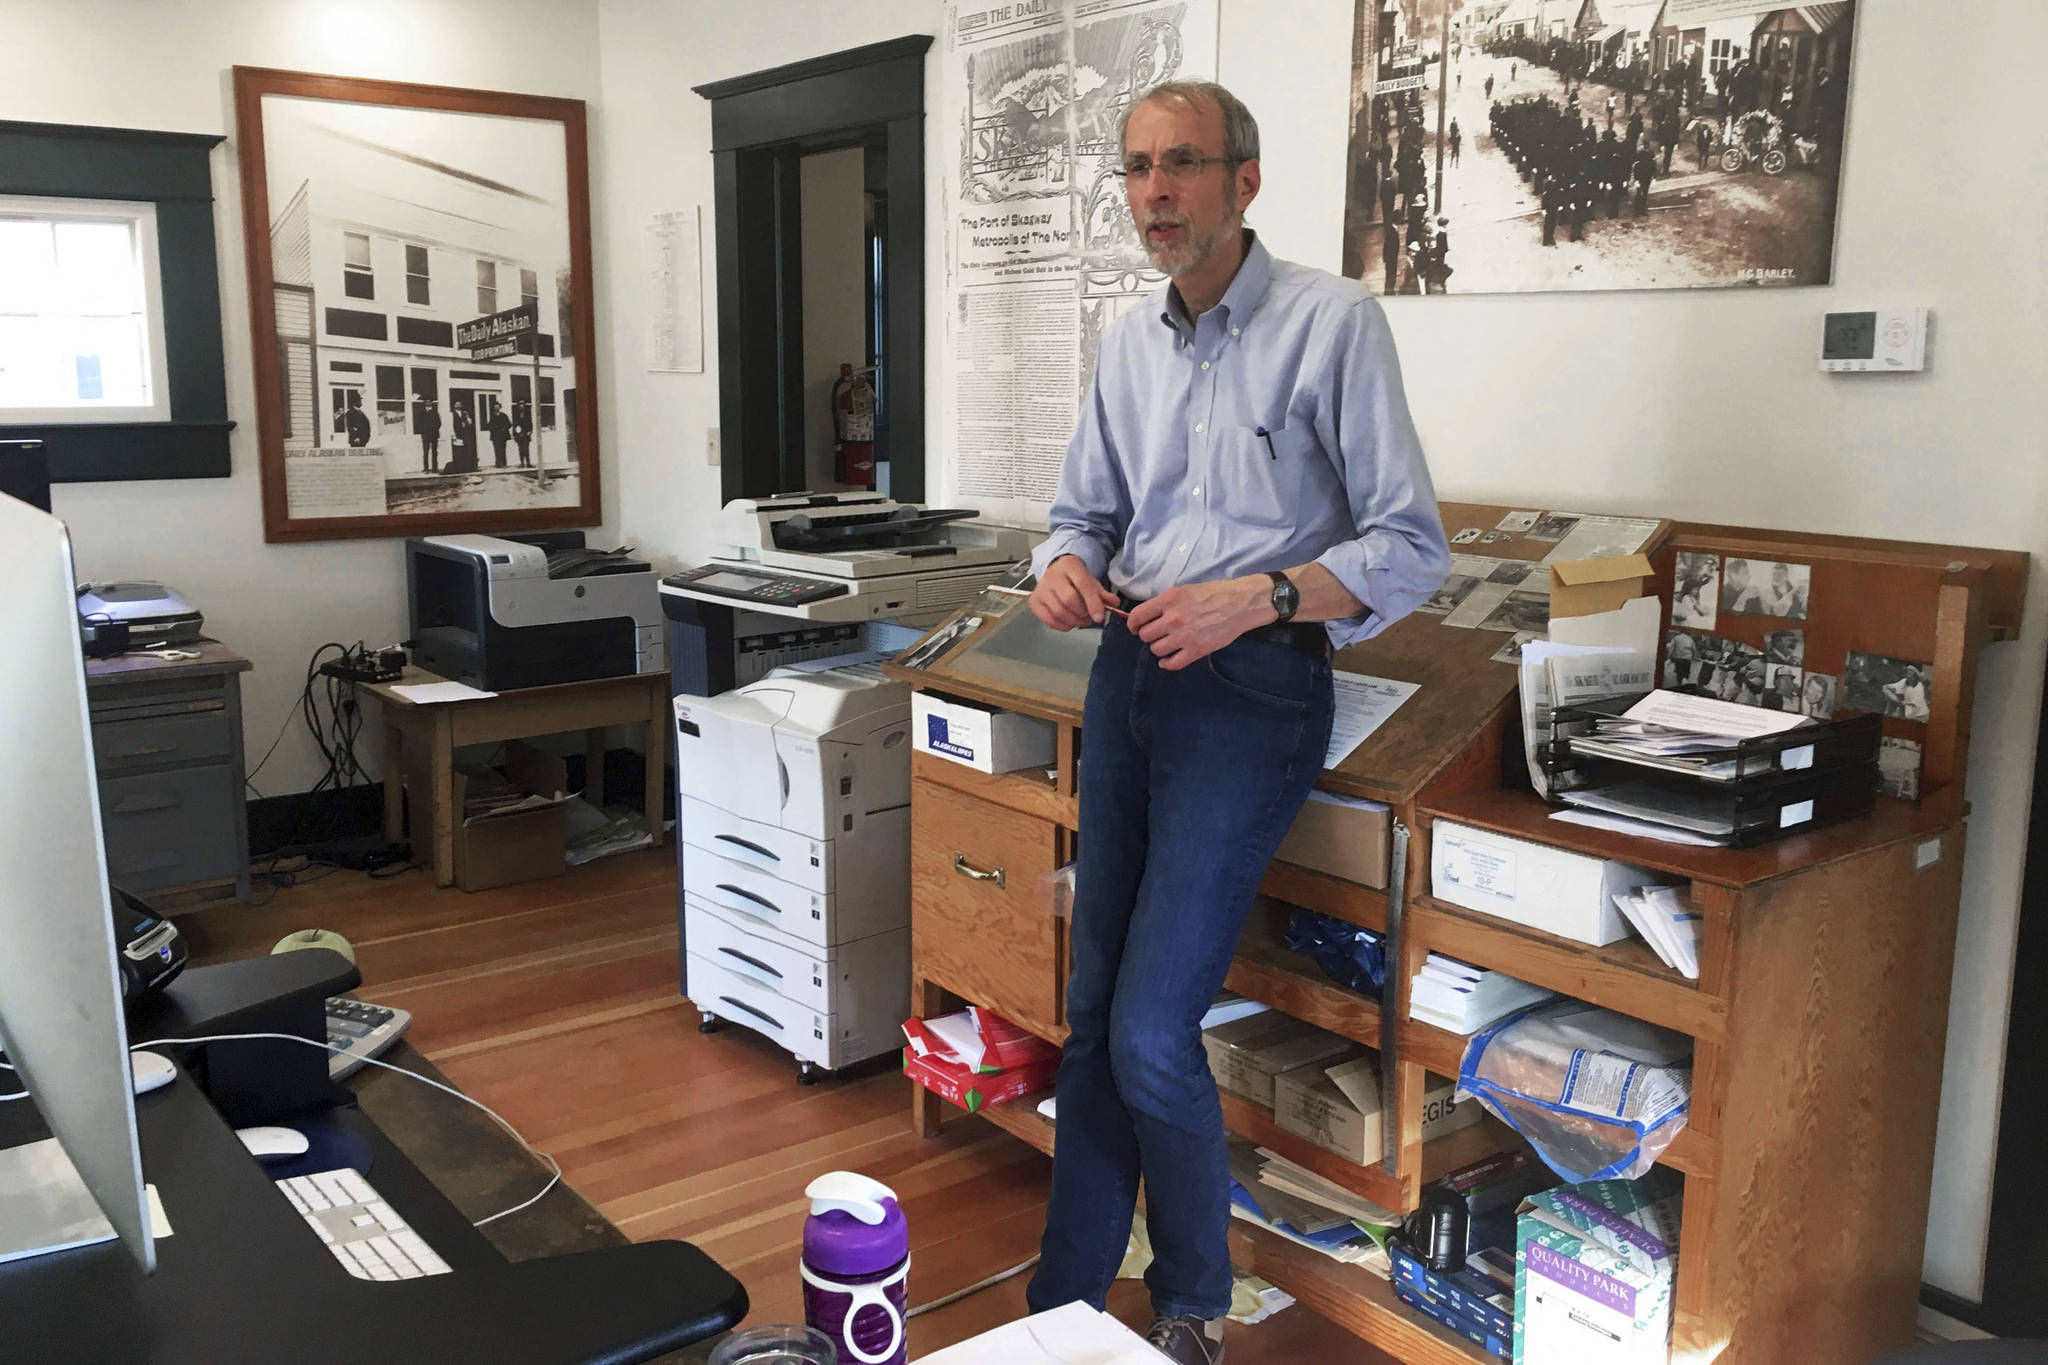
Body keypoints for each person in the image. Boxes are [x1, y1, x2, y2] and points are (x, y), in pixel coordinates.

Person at [1024, 80, 1448, 1365]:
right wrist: (1058, 563)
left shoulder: (1331, 324)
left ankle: (1193, 1302)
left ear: (1243, 182)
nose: (1155, 191)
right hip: (1127, 671)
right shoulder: (1122, 339)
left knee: (1156, 1030)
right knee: (1095, 1013)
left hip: (1253, 685)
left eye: (1184, 165)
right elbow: (1081, 511)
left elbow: (1411, 548)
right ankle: (1060, 1308)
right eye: (1139, 168)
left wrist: (1256, 596)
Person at [414, 395, 442, 472]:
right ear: (425, 403)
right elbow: (418, 423)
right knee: (426, 451)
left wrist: (434, 429)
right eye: (427, 402)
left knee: (434, 451)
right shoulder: (421, 412)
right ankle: (426, 468)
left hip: (434, 434)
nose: (428, 403)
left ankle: (434, 468)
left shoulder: (435, 412)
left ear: (431, 403)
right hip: (425, 434)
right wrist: (423, 430)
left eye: (430, 402)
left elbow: (439, 423)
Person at [487, 403, 512, 468]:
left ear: (500, 408)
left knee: (503, 450)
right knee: (496, 450)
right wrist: (494, 429)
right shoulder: (492, 416)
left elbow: (509, 424)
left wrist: (504, 428)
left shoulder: (504, 415)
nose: (496, 408)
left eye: (497, 407)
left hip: (503, 436)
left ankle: (504, 463)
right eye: (495, 407)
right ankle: (498, 463)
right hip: (495, 436)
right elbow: (489, 425)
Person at [513, 401, 534, 467]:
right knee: (521, 449)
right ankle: (522, 463)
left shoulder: (527, 414)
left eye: (523, 404)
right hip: (519, 434)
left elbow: (530, 424)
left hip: (526, 434)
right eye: (520, 404)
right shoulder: (516, 414)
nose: (521, 405)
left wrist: (530, 431)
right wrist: (515, 434)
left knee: (526, 449)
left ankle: (528, 463)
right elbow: (514, 424)